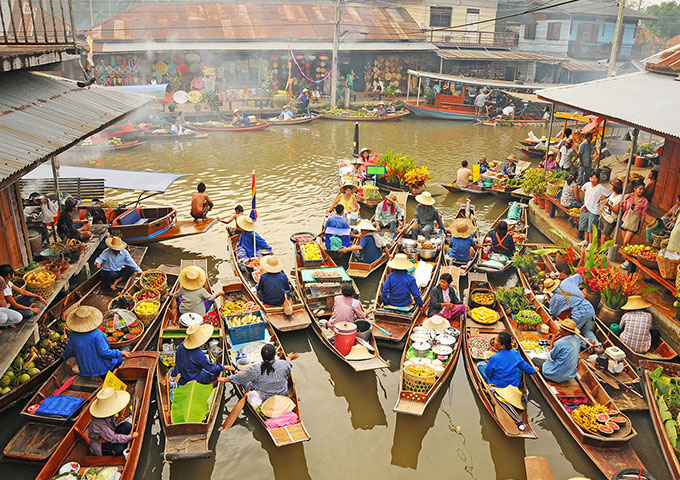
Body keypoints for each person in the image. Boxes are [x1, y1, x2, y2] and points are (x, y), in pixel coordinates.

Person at [62, 306, 130, 377]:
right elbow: (104, 352)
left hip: (84, 371)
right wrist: (120, 353)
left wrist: (64, 357)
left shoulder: (73, 335)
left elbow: (69, 352)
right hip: (103, 369)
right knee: (119, 359)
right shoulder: (97, 334)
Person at [225, 343, 299, 407]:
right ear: (274, 356)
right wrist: (289, 358)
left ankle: (241, 373)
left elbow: (239, 378)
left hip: (263, 397)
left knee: (243, 378)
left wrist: (223, 379)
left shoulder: (256, 368)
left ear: (262, 356)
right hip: (282, 393)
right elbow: (288, 365)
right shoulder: (283, 364)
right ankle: (242, 373)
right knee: (245, 375)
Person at [548, 274, 600, 348]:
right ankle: (598, 346)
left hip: (579, 313)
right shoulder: (566, 282)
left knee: (570, 333)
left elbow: (553, 313)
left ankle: (586, 343)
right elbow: (579, 276)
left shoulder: (555, 298)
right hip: (589, 307)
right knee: (587, 331)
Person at [88, 387, 138, 456]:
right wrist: (130, 437)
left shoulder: (108, 414)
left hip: (109, 436)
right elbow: (113, 437)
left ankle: (126, 439)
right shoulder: (99, 423)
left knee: (127, 426)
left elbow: (115, 425)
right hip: (101, 444)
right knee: (120, 448)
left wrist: (119, 417)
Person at [533, 319, 581, 383]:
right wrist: (559, 337)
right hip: (569, 375)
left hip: (555, 374)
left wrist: (552, 342)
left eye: (561, 329)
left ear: (567, 332)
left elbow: (550, 357)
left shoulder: (560, 343)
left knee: (534, 359)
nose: (559, 330)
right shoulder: (577, 340)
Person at [579, 171, 609, 244]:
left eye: (595, 178)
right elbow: (583, 189)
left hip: (594, 210)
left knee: (591, 228)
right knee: (585, 226)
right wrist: (587, 194)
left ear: (598, 179)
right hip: (585, 207)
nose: (593, 180)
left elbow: (608, 194)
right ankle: (585, 240)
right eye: (592, 178)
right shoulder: (587, 184)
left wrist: (601, 198)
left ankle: (590, 243)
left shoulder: (600, 188)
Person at [621, 181, 649, 247]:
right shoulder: (628, 196)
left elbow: (643, 215)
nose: (641, 191)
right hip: (624, 220)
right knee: (625, 243)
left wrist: (641, 227)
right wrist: (621, 205)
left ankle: (626, 256)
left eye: (643, 189)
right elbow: (624, 209)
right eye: (640, 189)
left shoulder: (645, 201)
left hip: (634, 223)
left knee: (626, 242)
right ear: (635, 189)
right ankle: (626, 256)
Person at [599, 178, 623, 243]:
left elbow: (617, 211)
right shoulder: (612, 194)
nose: (610, 186)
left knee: (605, 235)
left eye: (612, 185)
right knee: (602, 234)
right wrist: (602, 207)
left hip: (610, 219)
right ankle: (602, 249)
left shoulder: (620, 198)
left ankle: (612, 244)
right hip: (605, 216)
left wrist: (609, 206)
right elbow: (607, 201)